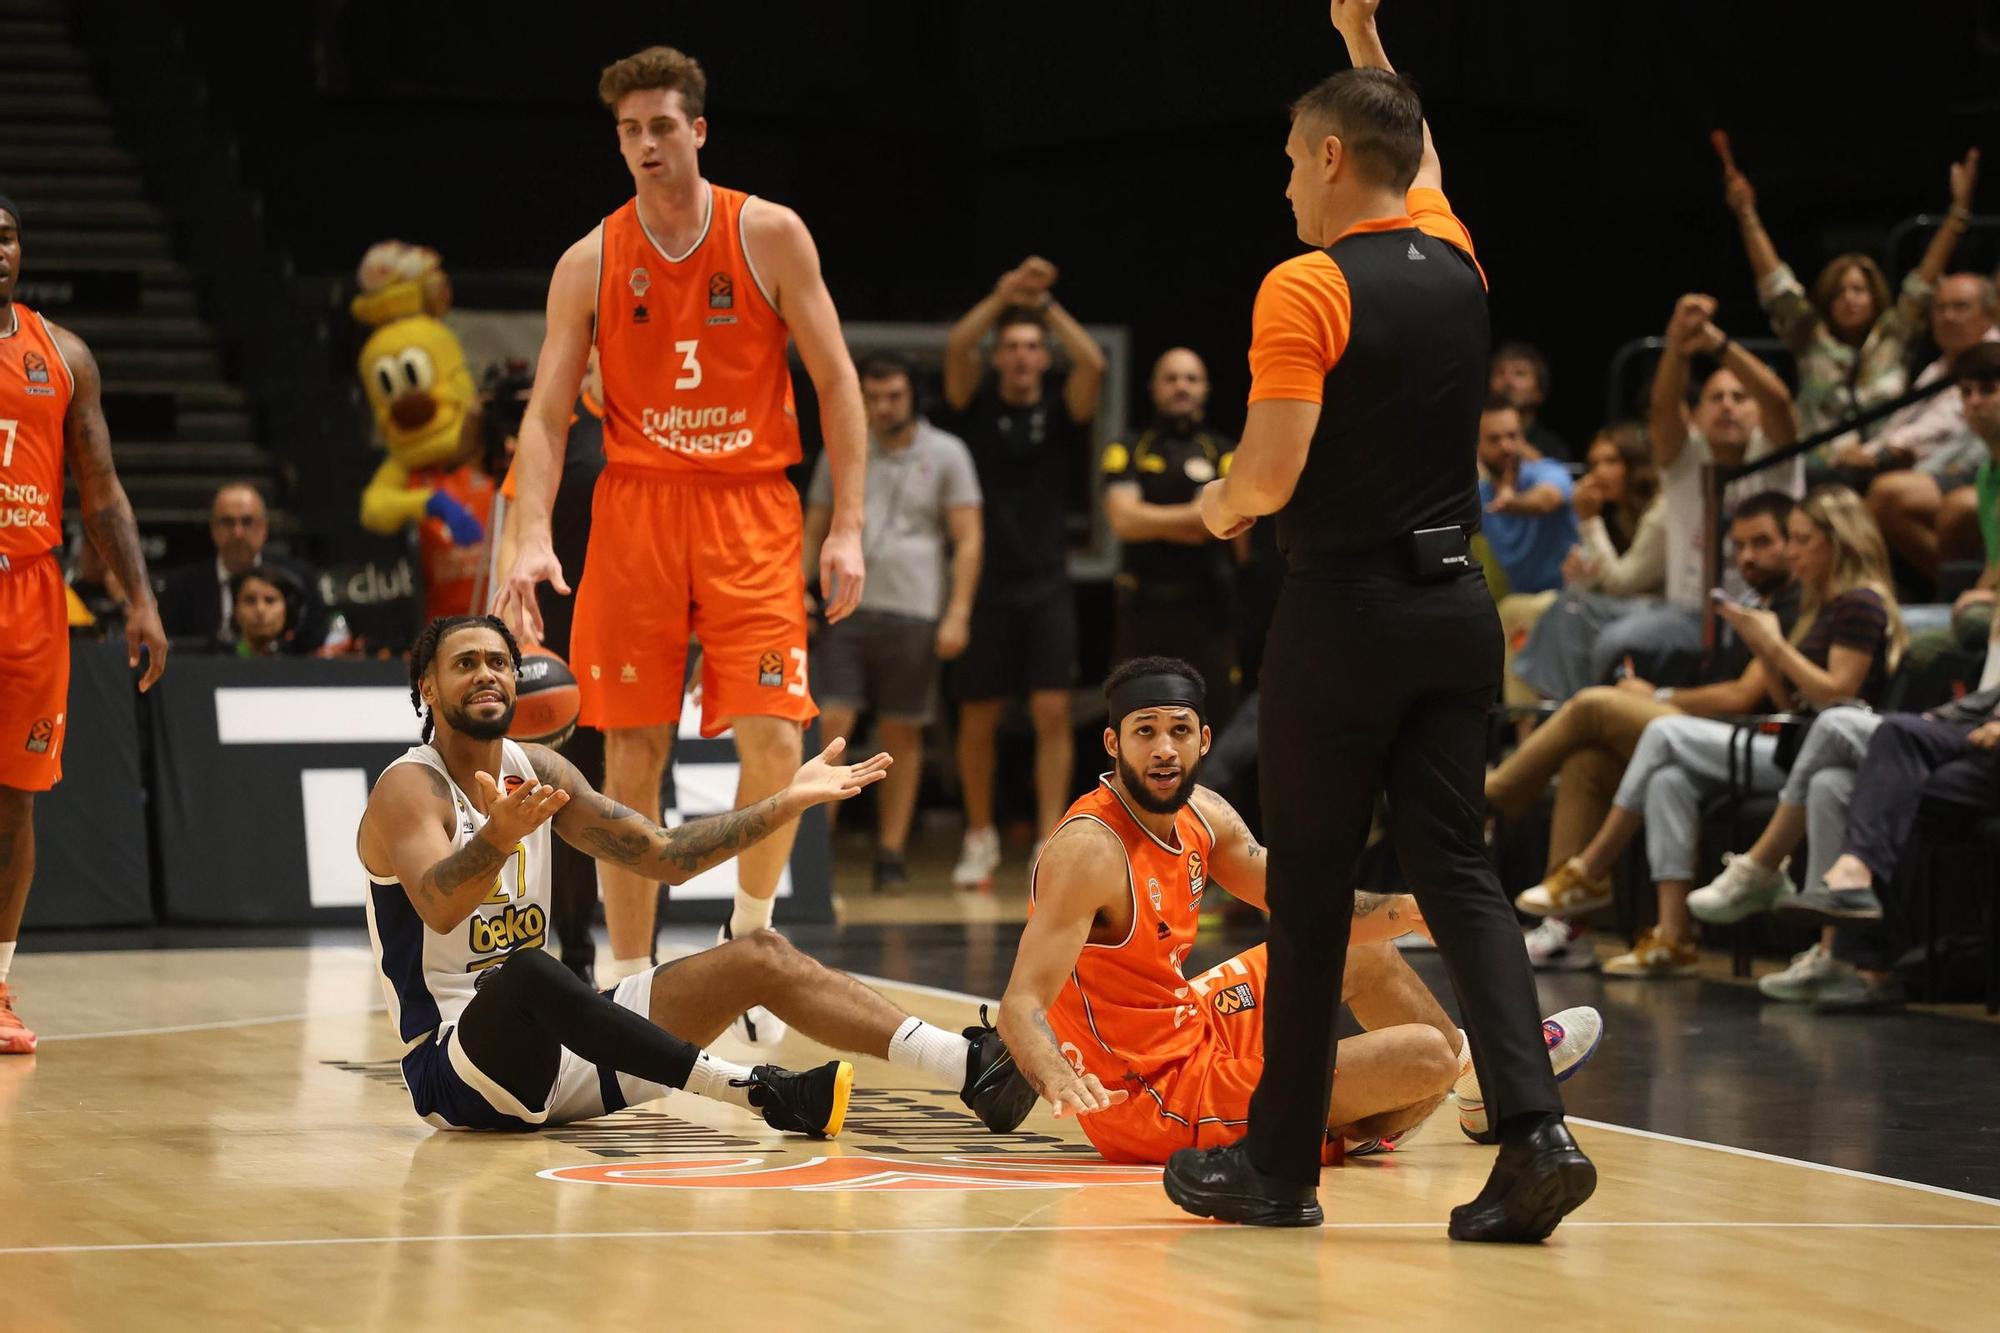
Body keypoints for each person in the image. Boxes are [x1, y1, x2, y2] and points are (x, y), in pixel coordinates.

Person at [1163, 2, 1593, 1241]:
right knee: (1461, 874)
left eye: (1296, 157)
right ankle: (1534, 1135)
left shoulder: (1304, 286)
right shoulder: (1453, 256)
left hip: (1342, 613)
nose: (1286, 178)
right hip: (1458, 607)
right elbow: (1421, 154)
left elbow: (1267, 479)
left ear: (1336, 161)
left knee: (1302, 892)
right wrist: (1363, 36)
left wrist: (1211, 505)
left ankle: (1276, 1169)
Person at [494, 47, 869, 1013]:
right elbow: (543, 416)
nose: (647, 143)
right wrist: (532, 531)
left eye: (663, 125)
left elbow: (837, 383)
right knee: (631, 753)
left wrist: (848, 527)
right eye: (630, 130)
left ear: (698, 130)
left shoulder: (770, 234)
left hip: (752, 501)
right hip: (637, 505)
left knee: (777, 739)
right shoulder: (590, 259)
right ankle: (627, 980)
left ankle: (750, 936)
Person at [354, 615, 1038, 1135]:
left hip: (567, 1051)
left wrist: (784, 803)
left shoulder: (541, 769)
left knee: (761, 954)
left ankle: (972, 1067)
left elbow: (663, 853)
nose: (488, 674)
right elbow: (439, 906)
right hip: (460, 1071)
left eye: (500, 662)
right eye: (466, 663)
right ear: (427, 688)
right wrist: (499, 839)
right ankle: (755, 1089)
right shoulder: (410, 789)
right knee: (529, 971)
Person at [996, 657, 1603, 1167]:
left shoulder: (1204, 814)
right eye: (1144, 731)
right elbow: (1019, 1005)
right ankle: (1393, 1105)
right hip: (1150, 1096)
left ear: (1203, 741)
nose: (1163, 749)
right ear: (1113, 743)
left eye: (1178, 731)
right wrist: (1054, 1076)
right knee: (1425, 1056)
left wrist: (1409, 911)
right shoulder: (1090, 850)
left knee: (1364, 949)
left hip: (1192, 1025)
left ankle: (1470, 1086)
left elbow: (1307, 903)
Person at [1519, 486, 1906, 977]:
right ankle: (1673, 937)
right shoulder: (1818, 607)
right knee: (1667, 780)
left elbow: (1836, 698)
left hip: (1820, 749)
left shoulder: (1861, 603)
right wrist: (1766, 651)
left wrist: (1773, 646)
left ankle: (1590, 869)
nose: (1793, 551)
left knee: (1662, 737)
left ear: (1838, 542)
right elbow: (1795, 702)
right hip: (1797, 747)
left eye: (1803, 540)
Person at [1488, 492, 1801, 971]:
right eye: (1740, 545)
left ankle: (1495, 791)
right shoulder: (1753, 601)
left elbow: (1741, 696)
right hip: (1706, 736)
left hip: (1742, 741)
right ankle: (1567, 930)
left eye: (1763, 542)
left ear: (1793, 543)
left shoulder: (1791, 607)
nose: (1748, 556)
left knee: (1592, 705)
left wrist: (1655, 697)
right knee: (1586, 761)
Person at [0, 194, 169, 1054]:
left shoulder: (62, 356)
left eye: (6, 235)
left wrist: (138, 597)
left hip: (30, 592)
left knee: (14, 800)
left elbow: (100, 488)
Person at [941, 262, 1106, 889]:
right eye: (1010, 347)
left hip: (1047, 581)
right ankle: (979, 837)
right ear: (998, 357)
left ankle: (1048, 839)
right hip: (984, 581)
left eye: (1032, 348)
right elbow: (959, 345)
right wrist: (1003, 295)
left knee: (1051, 711)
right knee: (977, 714)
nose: (1021, 356)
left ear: (1043, 357)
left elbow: (1093, 364)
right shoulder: (973, 403)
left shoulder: (1063, 410)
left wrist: (1044, 306)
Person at [803, 353, 983, 891]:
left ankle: (890, 853)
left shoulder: (948, 452)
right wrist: (798, 591)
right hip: (845, 606)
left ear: (912, 396)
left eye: (893, 397)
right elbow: (812, 524)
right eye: (872, 397)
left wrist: (958, 612)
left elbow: (969, 538)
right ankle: (816, 859)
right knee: (832, 724)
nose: (882, 407)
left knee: (901, 731)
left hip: (915, 610)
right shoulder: (842, 446)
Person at [1592, 294, 1803, 687]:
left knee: (1616, 642)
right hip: (1687, 612)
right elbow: (1663, 409)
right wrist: (1678, 345)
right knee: (1569, 617)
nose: (1727, 406)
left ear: (1755, 414)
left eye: (1740, 398)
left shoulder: (1774, 455)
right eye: (1716, 398)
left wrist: (1719, 345)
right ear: (1698, 415)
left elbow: (1778, 400)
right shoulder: (1689, 457)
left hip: (1758, 612)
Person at [1723, 147, 1978, 448]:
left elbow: (1923, 282)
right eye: (1839, 292)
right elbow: (1775, 285)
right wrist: (1747, 215)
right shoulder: (1810, 338)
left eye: (1859, 290)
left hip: (1882, 462)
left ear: (1875, 296)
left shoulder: (1894, 336)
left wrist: (1958, 212)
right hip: (1817, 467)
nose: (1850, 299)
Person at [496, 352, 609, 983]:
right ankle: (571, 956)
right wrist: (509, 614)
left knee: (635, 797)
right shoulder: (554, 431)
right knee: (555, 795)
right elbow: (516, 530)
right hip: (557, 641)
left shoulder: (661, 430)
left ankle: (640, 956)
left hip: (635, 635)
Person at [1102, 348, 1241, 724]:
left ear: (1206, 389)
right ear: (1153, 387)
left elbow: (1210, 525)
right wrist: (1194, 518)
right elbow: (1123, 521)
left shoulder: (1224, 451)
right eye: (1171, 378)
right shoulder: (1128, 447)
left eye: (1191, 378)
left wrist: (1152, 517)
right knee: (1133, 719)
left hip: (1207, 609)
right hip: (1142, 608)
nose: (1182, 386)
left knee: (1214, 722)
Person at [1851, 274, 2000, 579]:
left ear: (1990, 314)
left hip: (1963, 468)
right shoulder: (1940, 367)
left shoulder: (1990, 358)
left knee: (1894, 494)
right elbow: (1903, 422)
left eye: (1960, 307)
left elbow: (1946, 429)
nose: (1948, 317)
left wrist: (1882, 454)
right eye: (1940, 308)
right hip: (1969, 468)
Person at [1507, 425, 1666, 707]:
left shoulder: (1658, 511)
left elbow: (1621, 583)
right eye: (1593, 464)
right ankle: (1529, 721)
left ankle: (1564, 714)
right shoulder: (1615, 514)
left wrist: (1589, 521)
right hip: (1617, 607)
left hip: (1657, 611)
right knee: (1523, 610)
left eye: (1611, 461)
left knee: (1568, 611)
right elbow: (1596, 583)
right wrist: (1580, 573)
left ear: (1635, 463)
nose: (1599, 472)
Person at [156, 481, 328, 652]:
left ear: (264, 528)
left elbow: (314, 645)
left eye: (247, 522)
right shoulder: (181, 587)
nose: (238, 533)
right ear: (213, 528)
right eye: (228, 522)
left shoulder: (298, 579)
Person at [1478, 396, 1577, 596]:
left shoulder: (1550, 471)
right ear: (1476, 445)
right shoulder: (1480, 494)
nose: (1506, 446)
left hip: (1566, 597)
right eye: (1494, 439)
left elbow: (1546, 501)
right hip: (1519, 602)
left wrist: (1510, 502)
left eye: (1513, 436)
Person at [1488, 341, 1570, 461]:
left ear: (1539, 392)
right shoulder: (1472, 439)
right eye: (1500, 373)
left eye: (1519, 373)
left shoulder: (1553, 448)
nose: (1507, 381)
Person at [227, 566, 307, 658]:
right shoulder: (214, 659)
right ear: (235, 610)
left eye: (270, 600)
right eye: (250, 600)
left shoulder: (306, 663)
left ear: (288, 610)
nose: (260, 609)